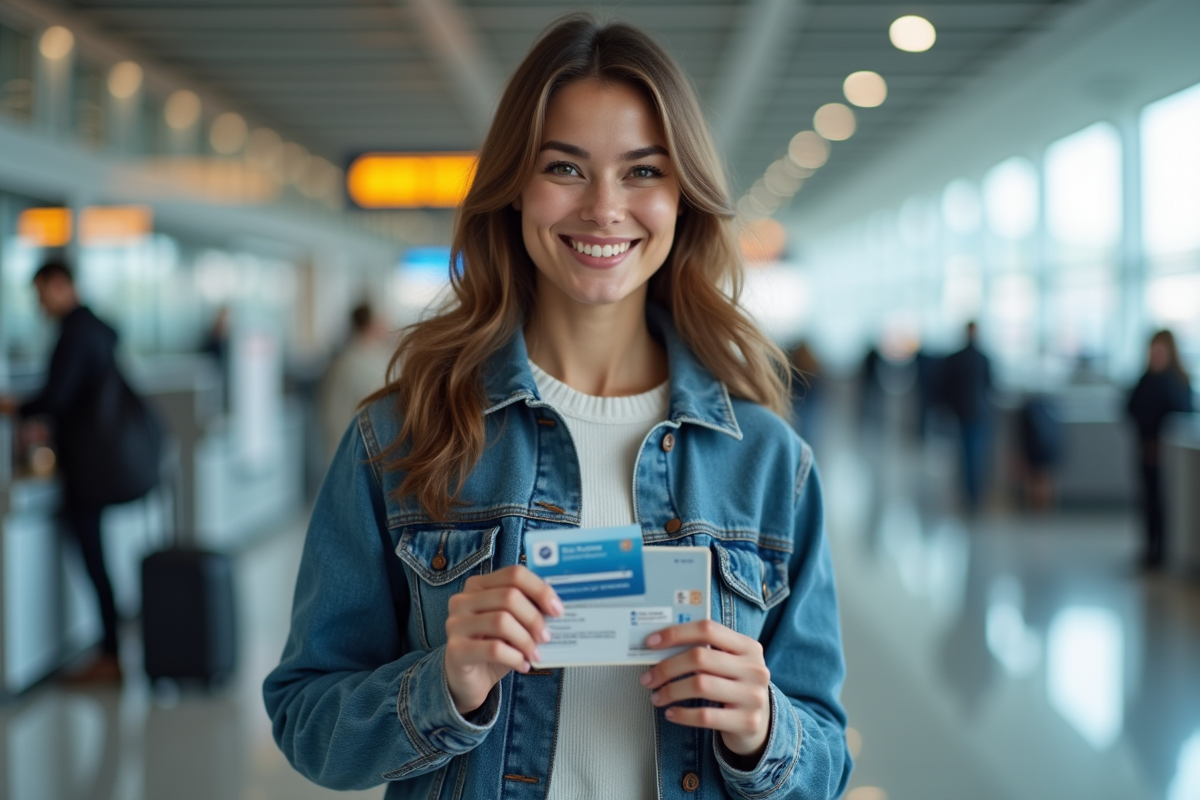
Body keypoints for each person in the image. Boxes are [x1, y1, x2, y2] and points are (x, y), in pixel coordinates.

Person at [263, 16, 851, 800]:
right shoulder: (402, 435)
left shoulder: (768, 461)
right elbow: (307, 722)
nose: (604, 208)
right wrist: (444, 683)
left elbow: (827, 759)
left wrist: (765, 729)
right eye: (565, 167)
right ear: (514, 187)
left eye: (643, 171)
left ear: (683, 198)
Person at [0, 260, 132, 682]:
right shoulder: (98, 330)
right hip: (102, 461)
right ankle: (110, 647)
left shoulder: (76, 333)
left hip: (87, 465)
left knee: (95, 558)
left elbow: (57, 397)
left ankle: (110, 653)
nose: (40, 306)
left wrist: (14, 407)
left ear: (60, 285)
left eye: (41, 295)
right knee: (98, 558)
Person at [1127, 330, 1193, 569]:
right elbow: (1131, 409)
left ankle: (1168, 552)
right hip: (1146, 450)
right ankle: (1151, 550)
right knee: (1149, 502)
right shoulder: (1145, 380)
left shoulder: (1177, 381)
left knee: (1170, 504)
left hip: (1170, 455)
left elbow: (1182, 416)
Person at [318, 301, 394, 462]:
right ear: (373, 325)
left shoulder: (341, 362)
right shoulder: (373, 367)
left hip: (342, 452)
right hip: (362, 457)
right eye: (383, 320)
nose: (388, 325)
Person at [939, 321, 993, 513]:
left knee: (964, 452)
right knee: (975, 453)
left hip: (961, 410)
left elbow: (945, 385)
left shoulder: (955, 358)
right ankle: (974, 494)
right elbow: (990, 385)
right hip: (979, 411)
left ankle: (967, 492)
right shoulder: (983, 358)